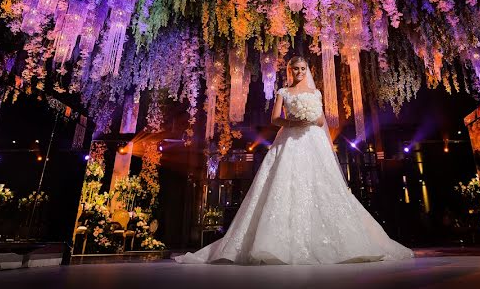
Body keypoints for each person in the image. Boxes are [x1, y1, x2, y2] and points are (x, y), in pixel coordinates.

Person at [176, 56, 414, 264]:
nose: (298, 72)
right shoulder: (283, 92)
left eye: (301, 69)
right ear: (289, 71)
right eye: (294, 69)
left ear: (306, 69)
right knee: (284, 184)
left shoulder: (316, 92)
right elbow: (275, 119)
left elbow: (321, 121)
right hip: (289, 139)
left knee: (322, 186)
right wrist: (293, 121)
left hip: (312, 140)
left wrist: (309, 117)